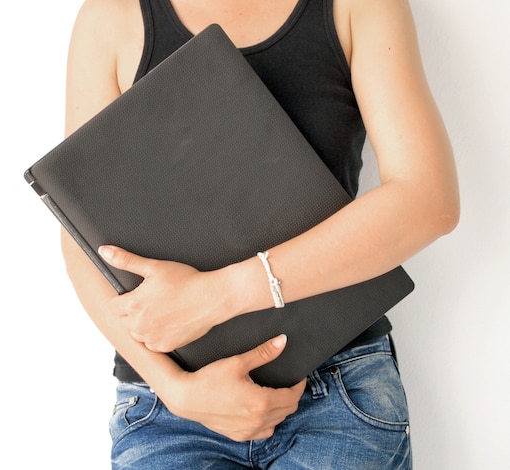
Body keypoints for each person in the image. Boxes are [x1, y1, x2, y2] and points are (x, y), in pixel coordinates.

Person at [60, 0, 460, 468]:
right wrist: (175, 388)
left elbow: (427, 199)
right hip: (169, 402)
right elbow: (81, 235)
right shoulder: (112, 15)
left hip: (337, 385)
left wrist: (221, 295)